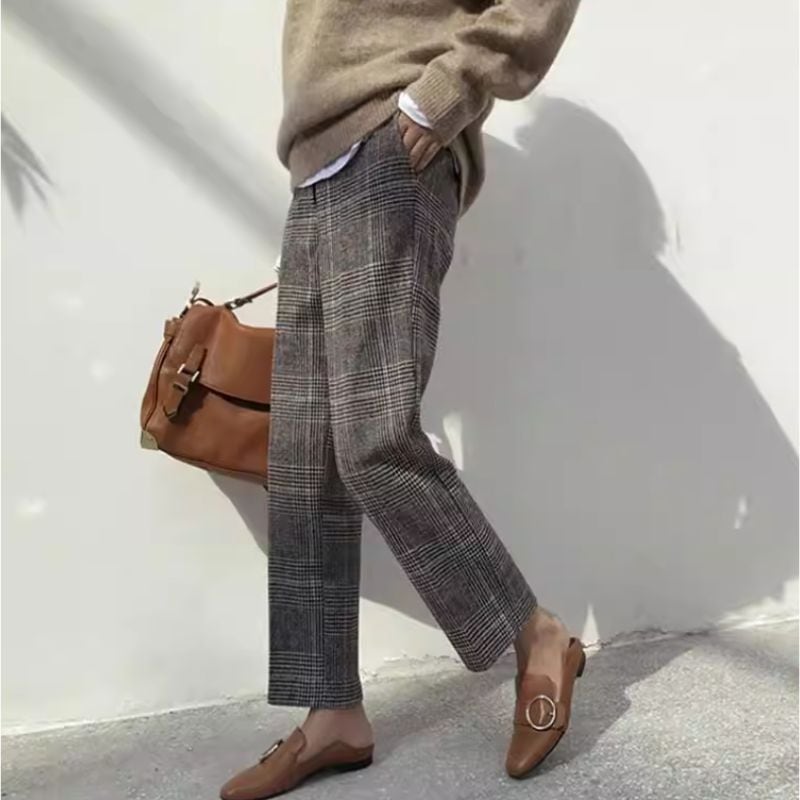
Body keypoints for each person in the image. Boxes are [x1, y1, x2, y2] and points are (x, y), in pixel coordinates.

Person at [221, 1, 583, 797]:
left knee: (373, 440)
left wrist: (445, 91)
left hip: (389, 146)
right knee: (306, 456)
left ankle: (537, 634)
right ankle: (333, 715)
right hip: (318, 169)